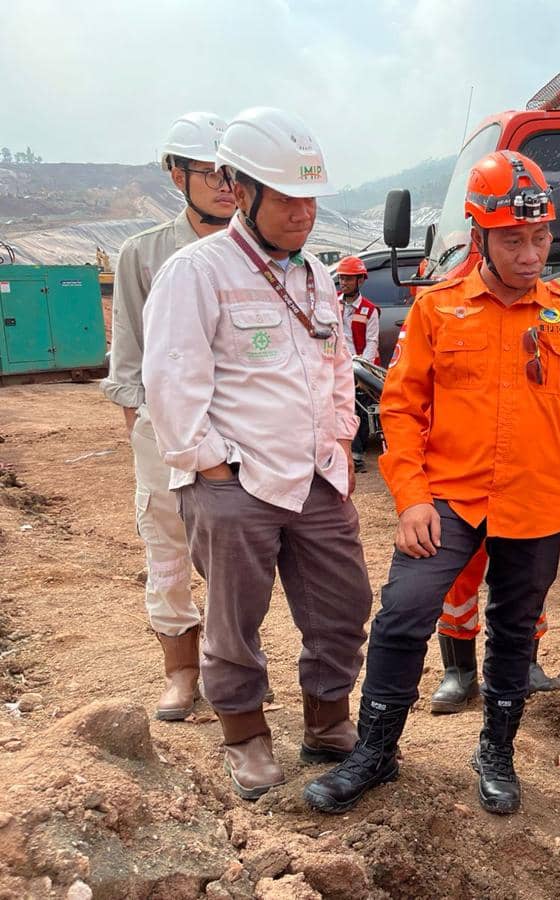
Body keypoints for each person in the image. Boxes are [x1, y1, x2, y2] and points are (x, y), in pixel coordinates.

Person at [303, 150, 560, 816]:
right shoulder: (440, 311)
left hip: (535, 504)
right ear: (480, 238)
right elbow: (402, 409)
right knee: (403, 616)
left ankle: (495, 751)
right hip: (450, 499)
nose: (531, 253)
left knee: (515, 630)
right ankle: (375, 753)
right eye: (513, 240)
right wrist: (412, 497)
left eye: (539, 237)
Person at [142, 107, 373, 801]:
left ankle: (328, 722)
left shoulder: (318, 277)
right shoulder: (196, 272)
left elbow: (337, 365)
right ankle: (245, 738)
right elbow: (171, 380)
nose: (304, 213)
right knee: (234, 622)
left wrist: (338, 439)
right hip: (235, 482)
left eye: (311, 198)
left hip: (316, 479)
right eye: (288, 197)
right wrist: (214, 469)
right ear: (241, 190)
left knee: (343, 605)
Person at [99, 111, 234, 721]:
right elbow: (128, 346)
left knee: (236, 552)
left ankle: (233, 667)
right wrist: (139, 425)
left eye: (233, 172)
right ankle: (181, 672)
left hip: (238, 427)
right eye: (209, 172)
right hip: (164, 426)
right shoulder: (143, 254)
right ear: (177, 174)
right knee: (167, 548)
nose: (225, 184)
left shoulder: (260, 250)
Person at [429, 546, 560, 715]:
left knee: (527, 572)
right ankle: (459, 671)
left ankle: (525, 666)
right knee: (459, 569)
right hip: (470, 519)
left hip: (522, 520)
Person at [334, 255, 380, 472]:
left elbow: (372, 342)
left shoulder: (370, 310)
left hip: (359, 365)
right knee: (342, 407)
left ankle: (357, 455)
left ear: (360, 280)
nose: (344, 283)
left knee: (358, 410)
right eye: (342, 278)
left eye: (349, 279)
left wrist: (361, 368)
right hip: (338, 364)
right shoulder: (333, 303)